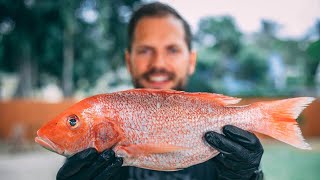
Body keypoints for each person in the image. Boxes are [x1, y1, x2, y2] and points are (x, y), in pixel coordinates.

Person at [56, 2, 264, 180]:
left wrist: (249, 177)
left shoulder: (226, 148)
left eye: (172, 50)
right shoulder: (91, 156)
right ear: (129, 61)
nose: (158, 63)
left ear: (191, 61)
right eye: (145, 50)